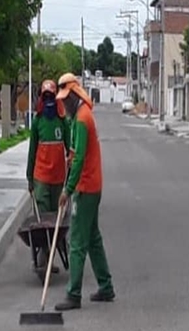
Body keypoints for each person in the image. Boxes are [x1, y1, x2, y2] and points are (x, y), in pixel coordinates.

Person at [54, 72, 116, 311]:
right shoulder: (82, 116)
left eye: (64, 98)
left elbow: (78, 159)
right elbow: (76, 154)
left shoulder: (81, 119)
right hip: (93, 186)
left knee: (78, 240)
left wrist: (67, 190)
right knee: (93, 238)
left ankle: (73, 294)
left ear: (74, 95)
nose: (62, 103)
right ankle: (106, 286)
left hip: (85, 187)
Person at [26, 79, 71, 273]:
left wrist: (71, 179)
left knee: (56, 222)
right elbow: (32, 151)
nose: (49, 101)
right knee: (43, 221)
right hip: (41, 178)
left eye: (51, 97)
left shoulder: (63, 122)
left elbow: (71, 150)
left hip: (59, 179)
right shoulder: (37, 122)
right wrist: (30, 178)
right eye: (46, 97)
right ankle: (43, 258)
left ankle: (51, 256)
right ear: (41, 99)